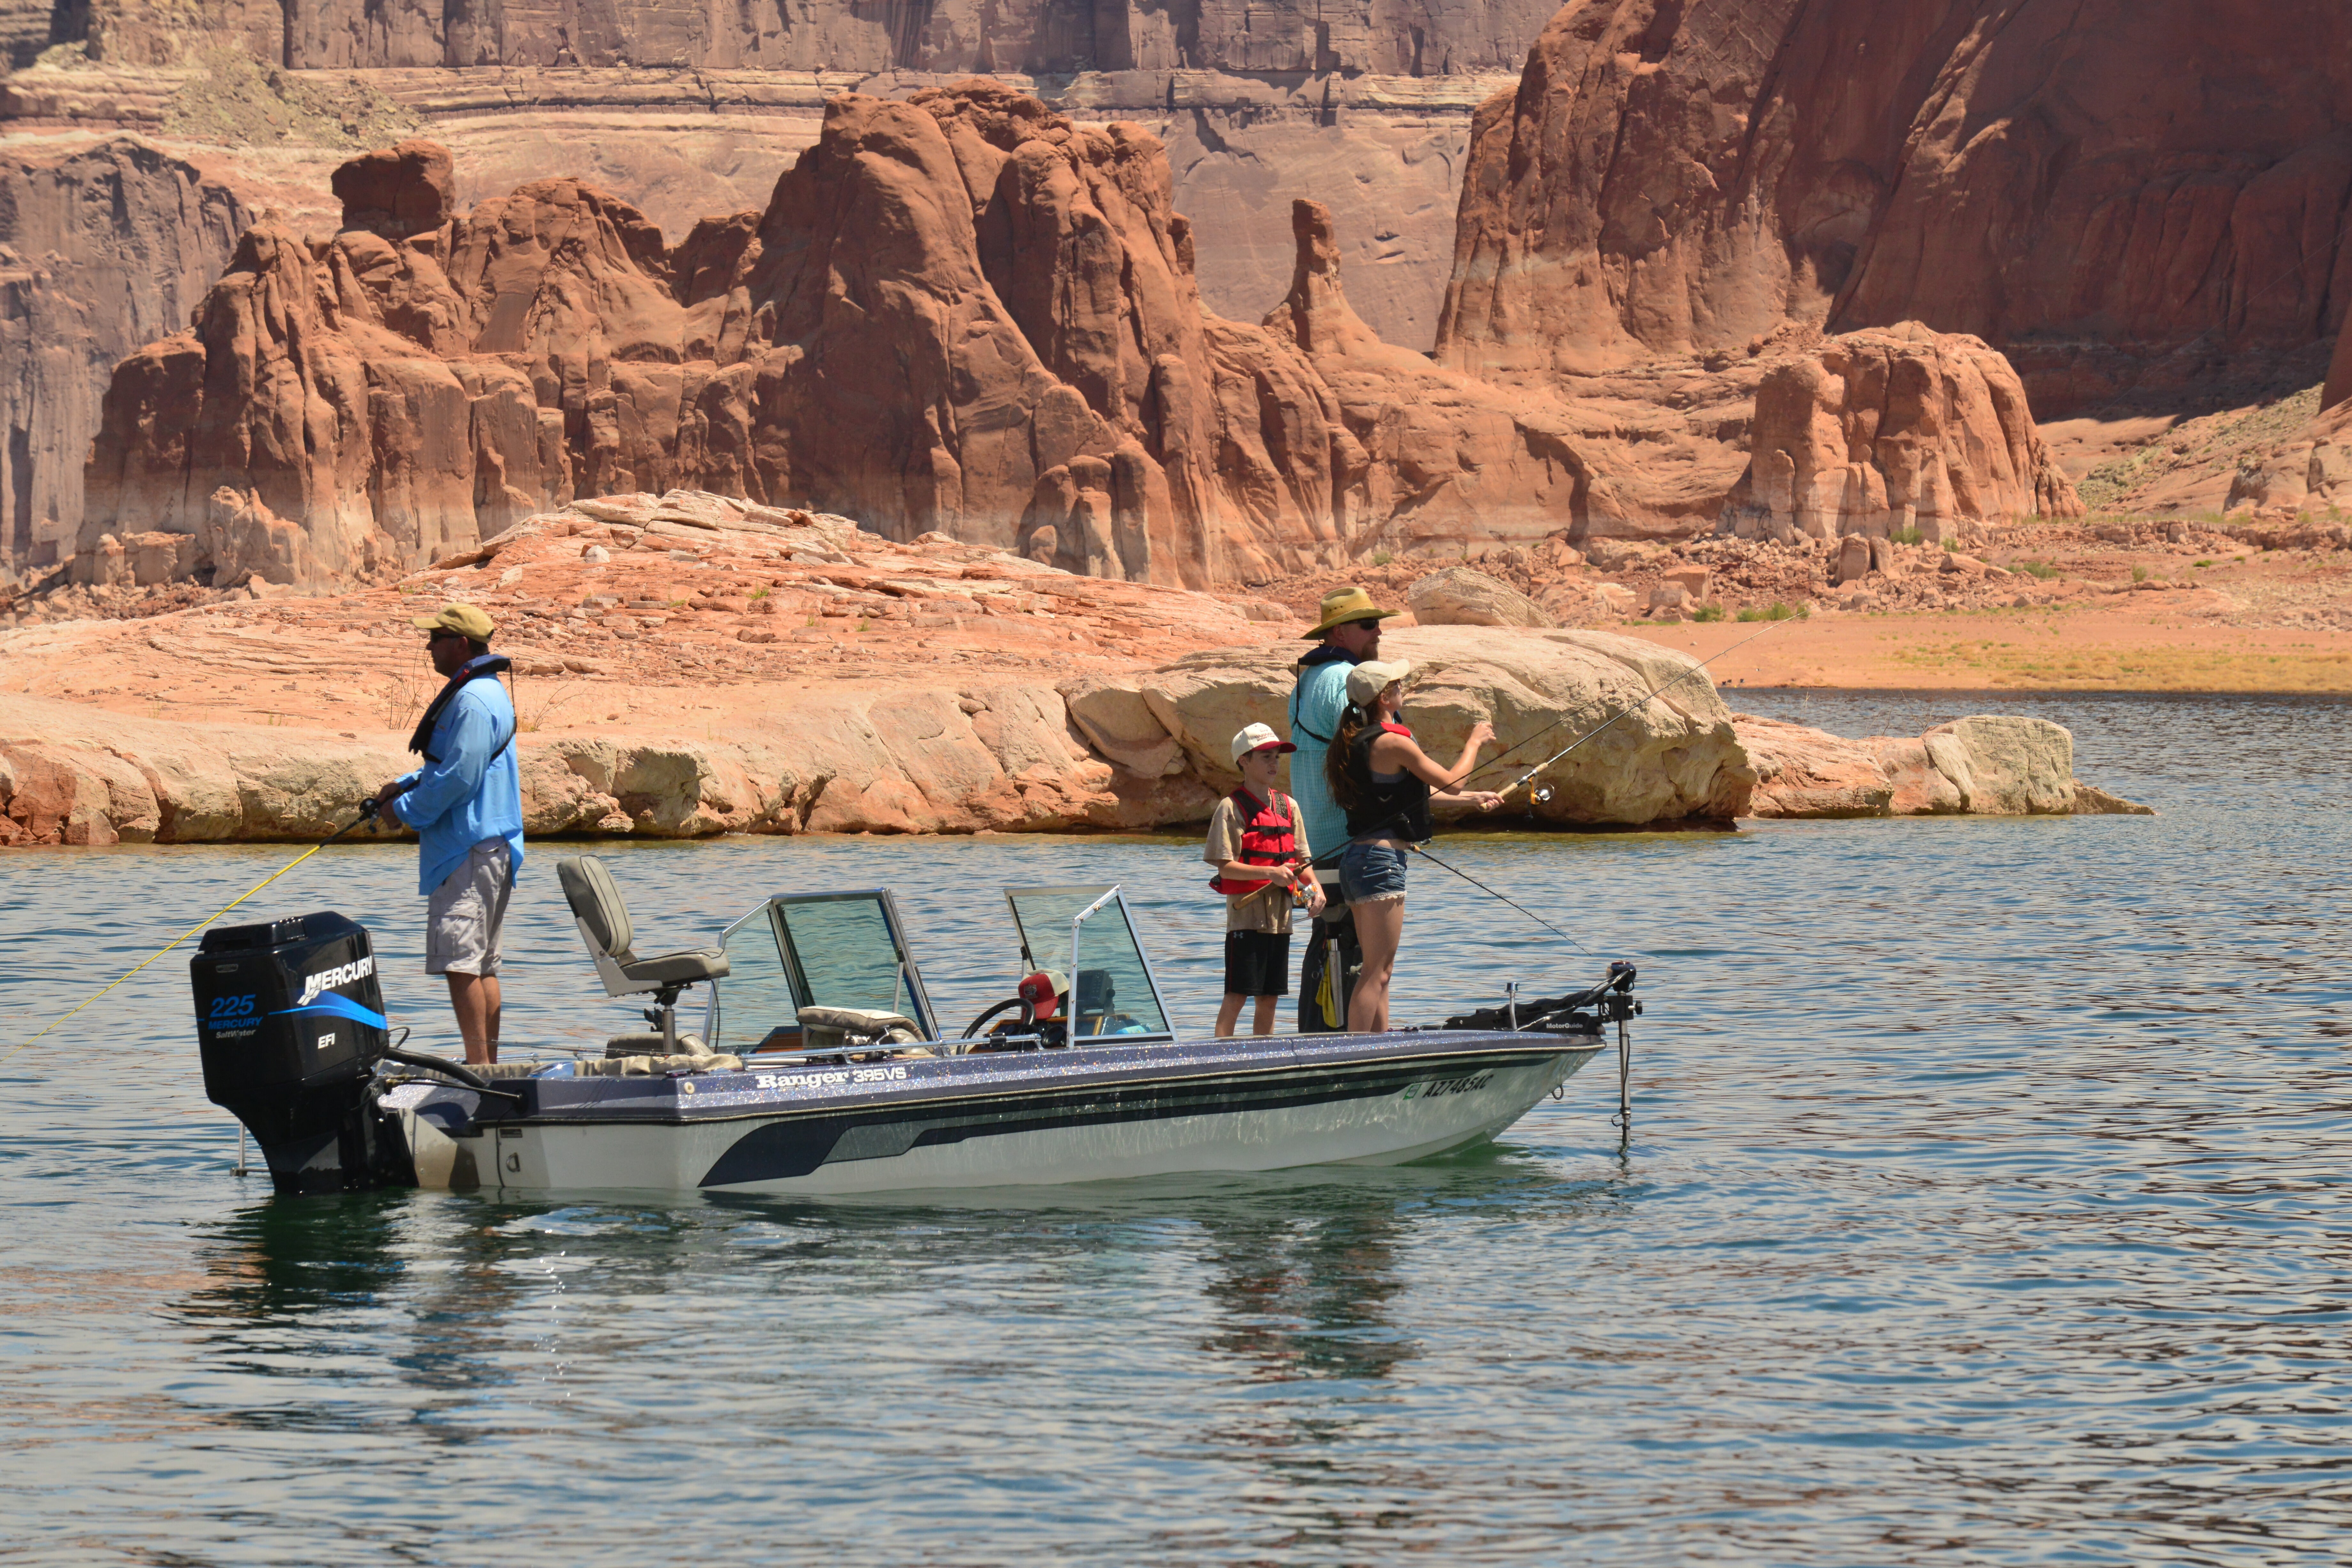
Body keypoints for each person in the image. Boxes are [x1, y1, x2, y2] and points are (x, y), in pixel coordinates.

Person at [372, 604, 524, 1066]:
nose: (428, 645)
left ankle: (479, 1070)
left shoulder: (474, 701)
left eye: (437, 637)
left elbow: (459, 778)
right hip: (486, 846)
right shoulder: (483, 693)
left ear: (461, 644)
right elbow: (453, 766)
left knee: (462, 964)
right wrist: (405, 783)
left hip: (469, 849)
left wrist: (403, 811)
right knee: (482, 964)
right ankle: (489, 1067)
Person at [1327, 659, 1504, 1034]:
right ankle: (1357, 1055)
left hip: (1359, 859)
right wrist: (1473, 743)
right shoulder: (1393, 740)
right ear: (1385, 695)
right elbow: (1452, 782)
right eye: (1397, 682)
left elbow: (1416, 798)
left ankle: (1381, 1048)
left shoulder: (1361, 741)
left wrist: (1474, 799)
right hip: (1380, 861)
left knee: (1380, 972)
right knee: (1376, 972)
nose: (1402, 686)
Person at [1288, 587, 1399, 1031]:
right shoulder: (1339, 679)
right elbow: (1366, 746)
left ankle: (1328, 1039)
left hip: (1320, 840)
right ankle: (1352, 1051)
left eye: (1378, 623)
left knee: (1332, 943)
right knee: (1359, 957)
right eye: (1368, 625)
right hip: (1344, 839)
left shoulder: (1307, 680)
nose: (1379, 632)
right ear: (1340, 631)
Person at [1204, 722, 1326, 1037]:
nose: (1273, 764)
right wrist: (1269, 872)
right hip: (1246, 919)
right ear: (1243, 761)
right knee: (1237, 994)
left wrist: (1316, 890)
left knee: (1269, 998)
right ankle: (1219, 1060)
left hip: (1282, 918)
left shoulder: (1289, 806)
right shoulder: (1230, 808)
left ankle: (1263, 1056)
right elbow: (1225, 866)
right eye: (1265, 758)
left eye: (1276, 758)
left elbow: (1302, 861)